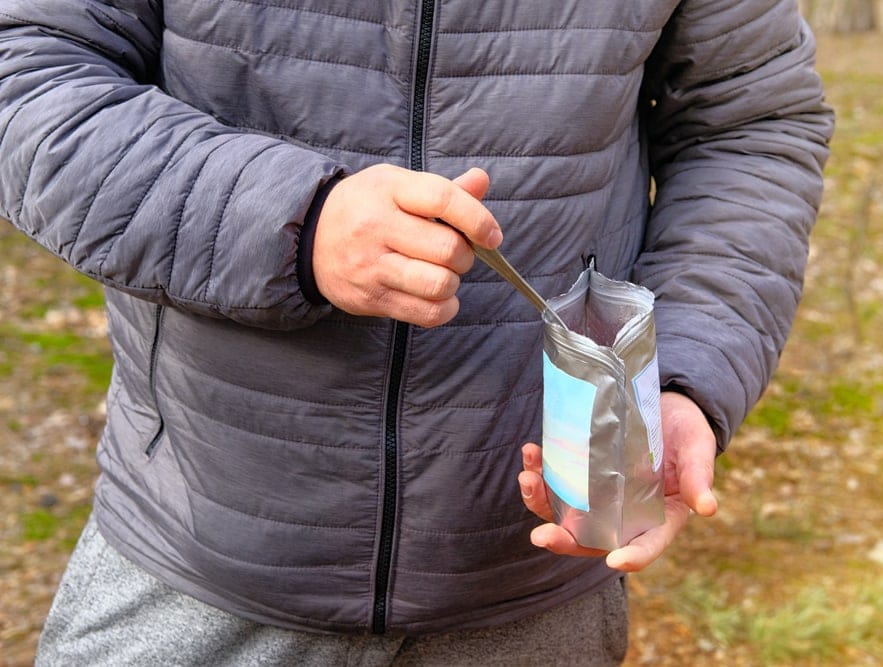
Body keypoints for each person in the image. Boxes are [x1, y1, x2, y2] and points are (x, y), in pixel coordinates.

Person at [0, 0, 833, 664]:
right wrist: (294, 221)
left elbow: (750, 125)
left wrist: (679, 378)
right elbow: (26, 72)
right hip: (199, 563)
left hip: (533, 585)